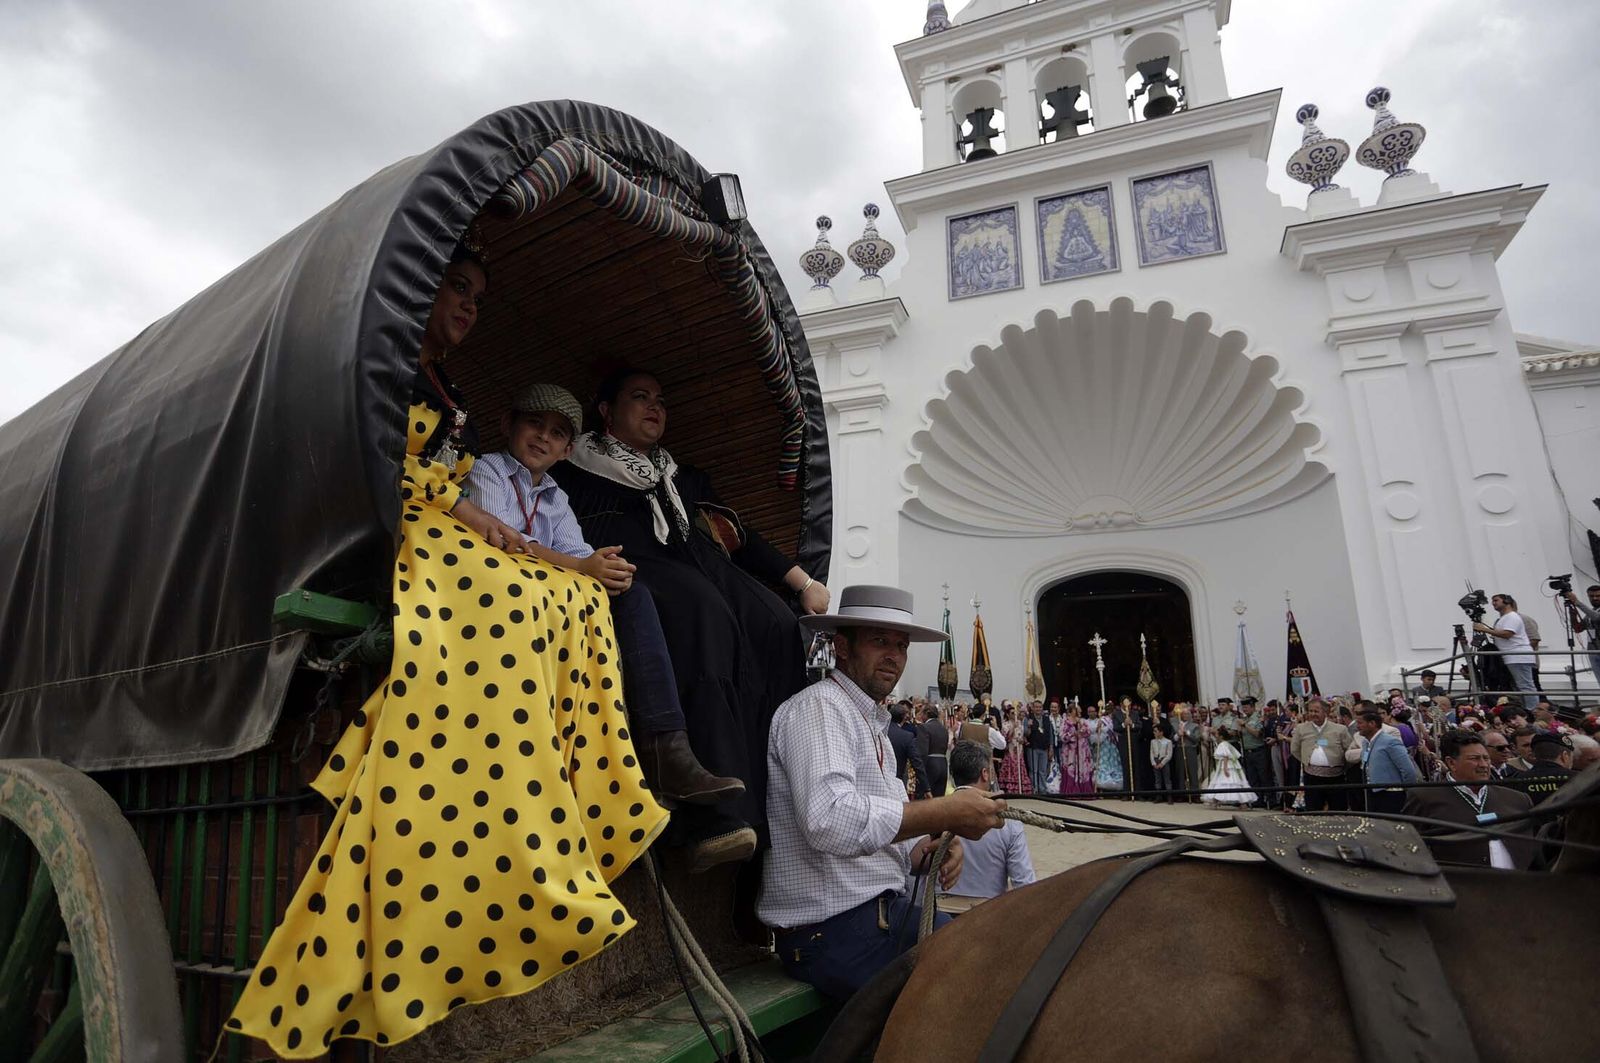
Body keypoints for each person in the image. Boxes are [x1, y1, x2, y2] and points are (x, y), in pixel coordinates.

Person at [228, 250, 670, 1056]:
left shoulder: (451, 393)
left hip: (449, 519)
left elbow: (490, 508)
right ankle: (484, 771)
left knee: (573, 599)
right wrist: (478, 521)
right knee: (510, 593)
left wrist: (550, 554)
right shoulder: (389, 368)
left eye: (476, 294)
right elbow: (389, 469)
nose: (466, 304)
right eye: (454, 288)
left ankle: (559, 783)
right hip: (395, 524)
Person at [558, 368, 826, 869]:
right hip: (633, 579)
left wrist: (803, 583)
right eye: (639, 397)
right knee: (703, 615)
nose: (655, 406)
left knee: (777, 625)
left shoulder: (681, 477)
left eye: (660, 398)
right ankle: (711, 816)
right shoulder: (574, 470)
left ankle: (780, 805)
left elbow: (739, 536)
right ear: (605, 410)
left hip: (705, 573)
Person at [464, 382, 741, 809]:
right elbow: (502, 543)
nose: (543, 437)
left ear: (566, 450)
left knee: (631, 592)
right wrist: (582, 568)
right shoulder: (489, 469)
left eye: (557, 433)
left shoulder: (555, 495)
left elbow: (578, 553)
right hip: (499, 599)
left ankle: (666, 746)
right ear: (508, 425)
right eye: (534, 424)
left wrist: (606, 568)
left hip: (550, 602)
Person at [758, 585, 1006, 1001]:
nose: (893, 655)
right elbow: (830, 821)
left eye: (901, 645)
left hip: (869, 921)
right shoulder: (821, 707)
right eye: (879, 641)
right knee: (982, 985)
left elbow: (878, 842)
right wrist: (943, 814)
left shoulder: (869, 721)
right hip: (833, 933)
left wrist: (926, 850)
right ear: (841, 647)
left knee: (996, 960)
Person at [1403, 731, 1536, 869]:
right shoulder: (1425, 798)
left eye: (1486, 758)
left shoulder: (1516, 799)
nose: (1484, 765)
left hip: (1518, 885)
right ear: (1451, 763)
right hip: (1459, 886)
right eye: (1475, 758)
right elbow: (1409, 849)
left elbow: (1533, 851)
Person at [941, 740, 1036, 911]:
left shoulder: (935, 814)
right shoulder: (1008, 822)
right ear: (985, 774)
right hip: (988, 914)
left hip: (940, 910)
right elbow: (1024, 882)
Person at [1472, 593, 1537, 711]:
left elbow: (1507, 634)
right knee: (1520, 686)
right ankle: (1527, 709)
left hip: (1518, 656)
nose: (1493, 603)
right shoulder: (1504, 618)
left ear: (1506, 601)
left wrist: (1483, 629)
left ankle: (1533, 710)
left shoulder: (1512, 616)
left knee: (1525, 685)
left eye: (1496, 600)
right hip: (1512, 656)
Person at [1291, 697, 1355, 812]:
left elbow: (1349, 750)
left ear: (1325, 712)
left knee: (1338, 809)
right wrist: (1307, 761)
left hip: (1336, 777)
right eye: (1310, 711)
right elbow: (1295, 749)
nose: (1313, 714)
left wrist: (1341, 765)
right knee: (1313, 809)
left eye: (1316, 711)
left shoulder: (1340, 729)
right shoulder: (1301, 728)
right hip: (1311, 776)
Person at [1357, 709, 1418, 814]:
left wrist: (1406, 792)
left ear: (1372, 724)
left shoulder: (1390, 741)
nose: (1357, 726)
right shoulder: (1366, 742)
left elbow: (1408, 770)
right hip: (1373, 793)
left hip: (1392, 795)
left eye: (1360, 723)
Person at [1518, 731, 1576, 805]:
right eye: (1571, 757)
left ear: (1535, 755)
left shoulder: (1516, 780)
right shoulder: (1579, 778)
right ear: (1564, 756)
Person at [887, 702, 930, 800]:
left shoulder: (880, 731)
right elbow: (917, 762)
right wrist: (926, 788)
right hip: (896, 779)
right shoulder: (906, 737)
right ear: (903, 718)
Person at [1201, 732, 1256, 807]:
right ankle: (1242, 803)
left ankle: (1216, 801)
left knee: (1223, 782)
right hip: (1232, 765)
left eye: (1217, 735)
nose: (1216, 736)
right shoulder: (1228, 744)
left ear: (1221, 736)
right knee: (1232, 783)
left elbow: (1225, 756)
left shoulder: (1222, 744)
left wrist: (1225, 768)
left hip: (1227, 765)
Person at [1057, 702, 1095, 795]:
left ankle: (1084, 791)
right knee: (1071, 770)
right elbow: (1062, 736)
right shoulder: (1065, 722)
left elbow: (1089, 732)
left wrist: (1082, 730)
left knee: (1083, 770)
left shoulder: (1082, 721)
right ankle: (1071, 791)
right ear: (1071, 711)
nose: (1078, 711)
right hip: (1070, 752)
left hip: (1082, 750)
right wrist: (1072, 734)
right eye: (1076, 709)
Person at [1239, 696, 1271, 799]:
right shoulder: (1244, 719)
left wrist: (1245, 726)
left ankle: (1269, 799)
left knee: (1264, 776)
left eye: (1246, 707)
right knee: (1252, 778)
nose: (1244, 710)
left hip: (1259, 751)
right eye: (1243, 708)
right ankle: (1257, 799)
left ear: (1253, 707)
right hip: (1248, 752)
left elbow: (1258, 734)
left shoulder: (1258, 718)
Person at [1088, 704, 1123, 792]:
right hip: (1104, 746)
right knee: (1102, 765)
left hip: (1113, 746)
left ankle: (1114, 787)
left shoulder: (1115, 719)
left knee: (1113, 765)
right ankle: (1101, 787)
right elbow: (1098, 732)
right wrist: (1099, 728)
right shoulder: (1103, 720)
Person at [918, 704, 951, 798]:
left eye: (922, 713)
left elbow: (922, 752)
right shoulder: (944, 729)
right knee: (939, 798)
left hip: (930, 765)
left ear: (927, 714)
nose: (920, 716)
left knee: (925, 798)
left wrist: (920, 771)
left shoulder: (924, 727)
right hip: (943, 764)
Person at [998, 706, 1032, 793]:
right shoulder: (1005, 725)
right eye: (1012, 713)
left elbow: (1022, 736)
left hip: (1019, 749)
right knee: (1011, 767)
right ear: (1008, 715)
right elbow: (1006, 739)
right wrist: (1013, 727)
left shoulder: (1020, 724)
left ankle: (1020, 788)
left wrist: (1022, 740)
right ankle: (1009, 787)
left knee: (1020, 767)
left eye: (1015, 713)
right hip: (1010, 749)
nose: (1014, 715)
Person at [1023, 701, 1053, 795]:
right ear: (1033, 708)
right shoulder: (1028, 718)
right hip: (1033, 747)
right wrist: (1028, 726)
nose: (1038, 709)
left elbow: (1050, 734)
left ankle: (1042, 789)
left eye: (1040, 707)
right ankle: (1034, 788)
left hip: (1044, 747)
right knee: (1033, 770)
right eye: (1036, 707)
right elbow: (1025, 734)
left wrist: (1051, 747)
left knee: (1043, 770)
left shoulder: (1046, 719)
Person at [1150, 727, 1174, 803]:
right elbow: (1151, 753)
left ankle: (1169, 796)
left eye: (1156, 731)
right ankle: (1158, 796)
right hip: (1156, 760)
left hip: (1164, 761)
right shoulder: (1153, 741)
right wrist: (1153, 763)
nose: (1154, 733)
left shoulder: (1168, 742)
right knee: (1157, 779)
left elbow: (1169, 754)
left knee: (1167, 779)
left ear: (1161, 732)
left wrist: (1162, 763)